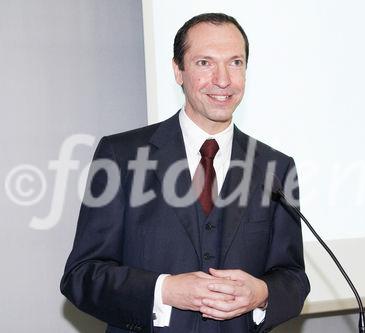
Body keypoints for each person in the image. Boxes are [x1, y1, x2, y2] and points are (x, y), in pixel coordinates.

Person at [61, 13, 309, 333]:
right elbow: (81, 275)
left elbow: (293, 277)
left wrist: (261, 294)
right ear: (178, 70)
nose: (223, 80)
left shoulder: (275, 167)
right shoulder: (121, 156)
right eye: (205, 63)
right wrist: (164, 290)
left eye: (235, 63)